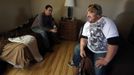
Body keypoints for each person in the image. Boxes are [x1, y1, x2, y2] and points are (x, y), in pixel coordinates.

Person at [69, 4, 119, 75]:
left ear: (98, 15)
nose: (88, 15)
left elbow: (114, 43)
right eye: (87, 12)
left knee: (98, 72)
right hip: (90, 47)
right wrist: (82, 48)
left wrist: (106, 60)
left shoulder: (107, 23)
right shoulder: (87, 24)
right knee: (77, 48)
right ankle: (75, 64)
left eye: (91, 12)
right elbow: (84, 38)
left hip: (101, 51)